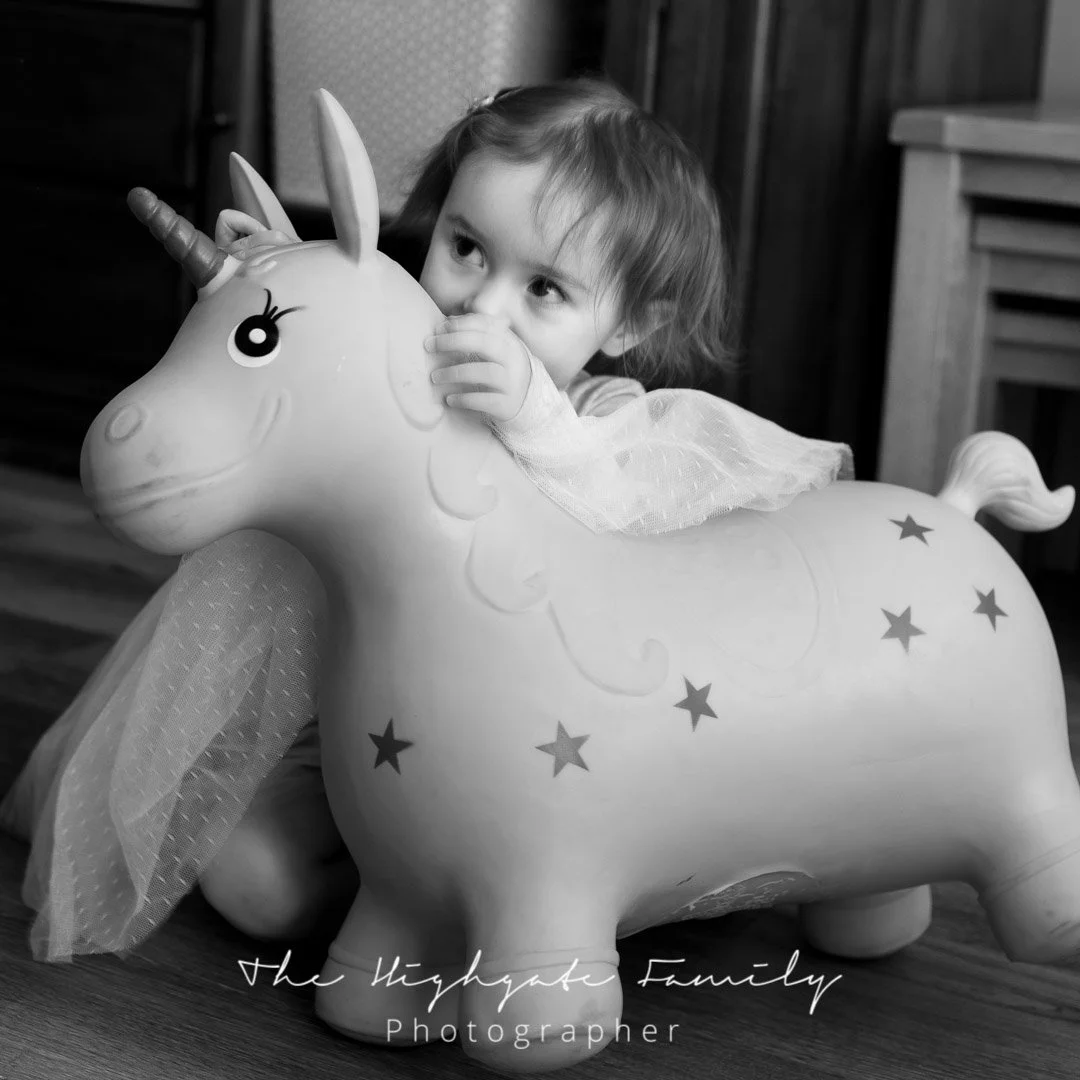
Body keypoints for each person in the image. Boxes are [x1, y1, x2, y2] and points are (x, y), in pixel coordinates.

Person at [1, 77, 852, 961]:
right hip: (360, 734)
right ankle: (405, 876)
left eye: (546, 290)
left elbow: (605, 519)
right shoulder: (407, 347)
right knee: (253, 880)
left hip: (536, 765)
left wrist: (533, 412)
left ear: (634, 319)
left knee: (380, 866)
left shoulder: (606, 424)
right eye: (468, 248)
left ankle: (466, 894)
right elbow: (319, 374)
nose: (481, 307)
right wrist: (290, 279)